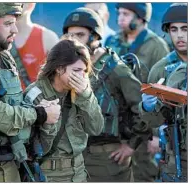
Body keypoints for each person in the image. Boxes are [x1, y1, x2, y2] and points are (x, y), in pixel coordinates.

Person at [0, 3, 61, 182]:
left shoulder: (5, 57)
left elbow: (17, 101)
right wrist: (40, 113)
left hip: (12, 163)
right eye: (8, 24)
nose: (15, 30)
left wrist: (40, 105)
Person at [63, 7, 152, 182]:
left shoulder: (115, 68)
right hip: (74, 158)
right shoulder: (71, 66)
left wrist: (131, 146)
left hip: (106, 160)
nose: (74, 41)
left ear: (95, 37)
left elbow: (143, 108)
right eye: (70, 36)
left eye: (80, 35)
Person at [104, 3, 171, 181]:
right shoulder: (112, 41)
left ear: (141, 18)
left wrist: (157, 134)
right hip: (117, 120)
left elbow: (163, 91)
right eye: (118, 13)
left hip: (144, 121)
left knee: (143, 172)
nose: (120, 18)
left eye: (126, 14)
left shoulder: (156, 45)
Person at [23, 36, 104, 182]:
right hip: (48, 174)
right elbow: (33, 148)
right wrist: (47, 121)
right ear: (59, 68)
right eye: (77, 70)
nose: (81, 76)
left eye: (84, 71)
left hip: (78, 172)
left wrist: (86, 96)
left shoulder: (81, 92)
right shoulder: (36, 95)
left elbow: (96, 128)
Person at [142, 3, 187, 180]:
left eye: (185, 28)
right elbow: (154, 120)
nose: (180, 35)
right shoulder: (161, 69)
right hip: (177, 156)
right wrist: (146, 107)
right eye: (174, 29)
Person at [11, 3, 59, 90]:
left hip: (39, 101)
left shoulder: (48, 38)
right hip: (9, 101)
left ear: (31, 4)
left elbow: (59, 78)